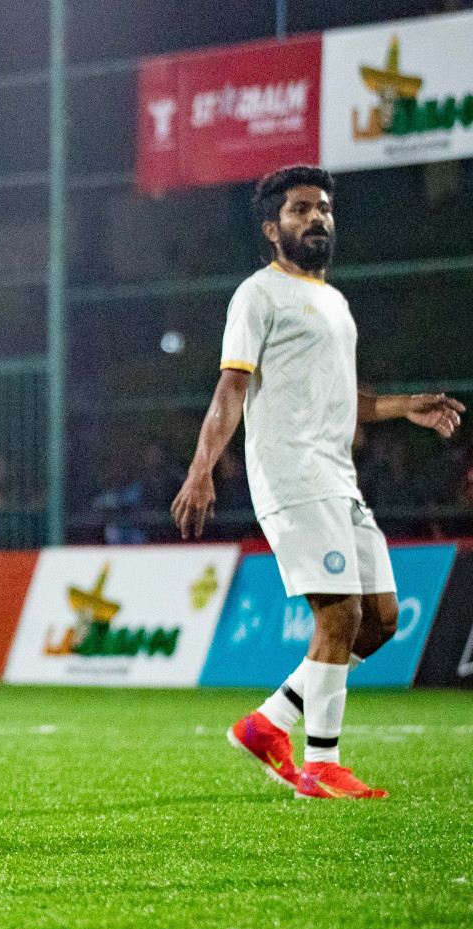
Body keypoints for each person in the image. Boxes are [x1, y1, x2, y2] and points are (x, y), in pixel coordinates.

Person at [171, 165, 463, 800]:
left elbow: (339, 397)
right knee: (339, 612)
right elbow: (231, 387)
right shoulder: (258, 295)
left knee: (381, 620)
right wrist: (201, 470)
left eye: (324, 208)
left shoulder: (334, 302)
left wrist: (399, 406)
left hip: (339, 478)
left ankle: (269, 721)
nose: (318, 218)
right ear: (273, 228)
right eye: (301, 210)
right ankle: (320, 765)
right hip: (292, 474)